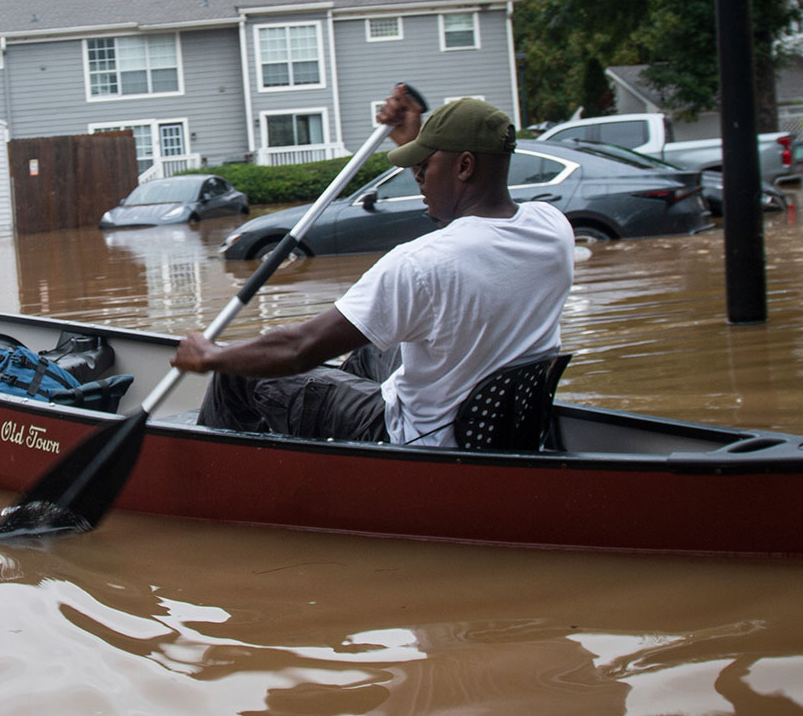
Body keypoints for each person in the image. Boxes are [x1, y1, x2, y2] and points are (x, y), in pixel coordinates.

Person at [171, 87, 574, 447]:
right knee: (370, 342)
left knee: (240, 370)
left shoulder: (419, 263)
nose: (416, 178)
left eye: (424, 167)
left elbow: (298, 349)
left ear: (465, 167)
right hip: (495, 424)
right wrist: (421, 144)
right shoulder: (552, 227)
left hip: (419, 436)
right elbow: (473, 231)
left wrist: (211, 355)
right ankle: (322, 434)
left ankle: (218, 468)